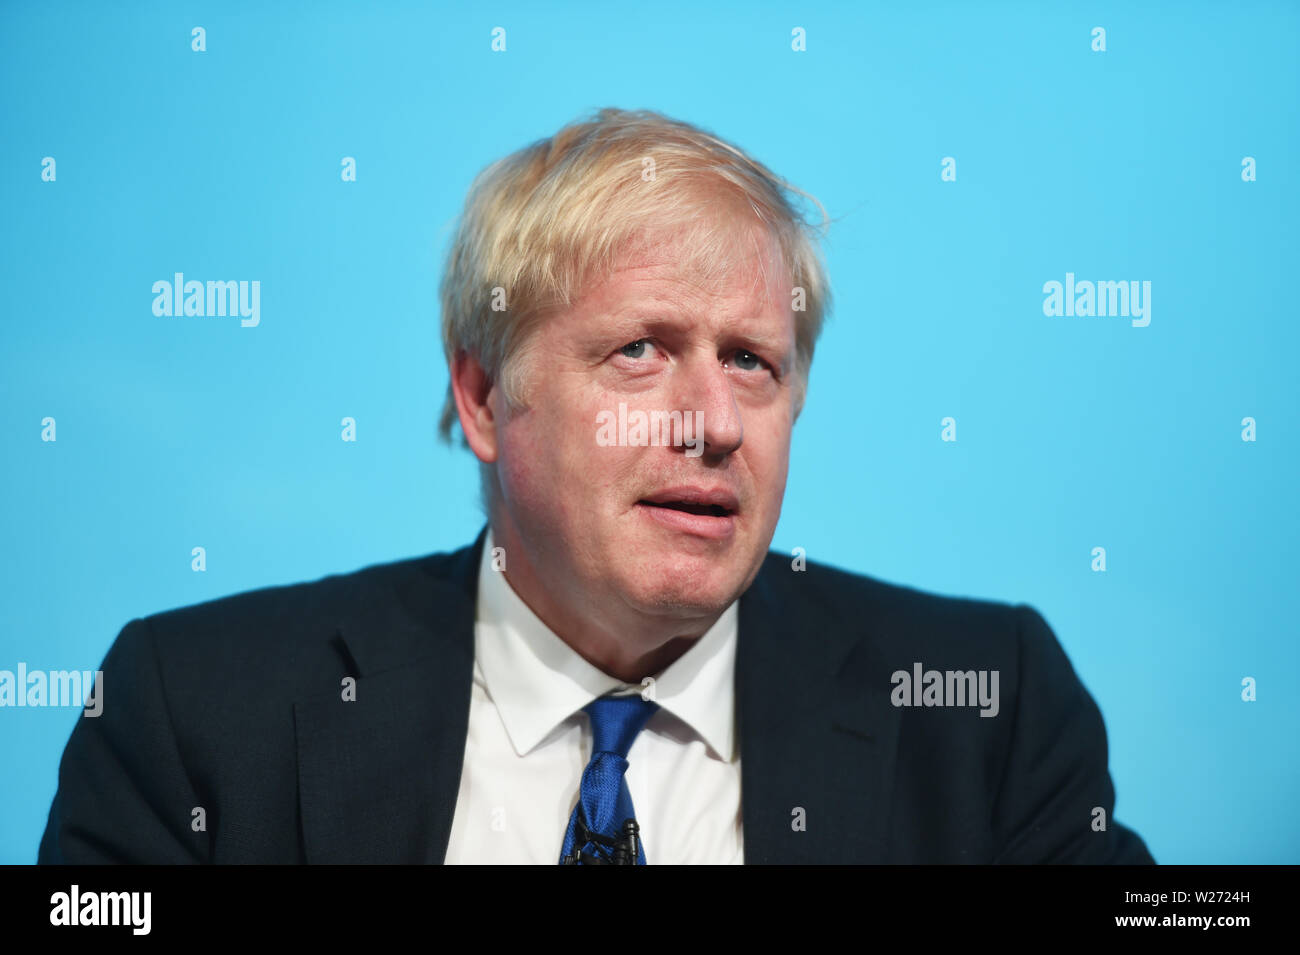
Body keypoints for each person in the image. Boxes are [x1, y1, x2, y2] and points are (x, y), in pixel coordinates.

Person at [39, 107, 1154, 864]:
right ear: (483, 399)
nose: (714, 424)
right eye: (639, 350)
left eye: (752, 362)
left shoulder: (983, 707)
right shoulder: (197, 712)